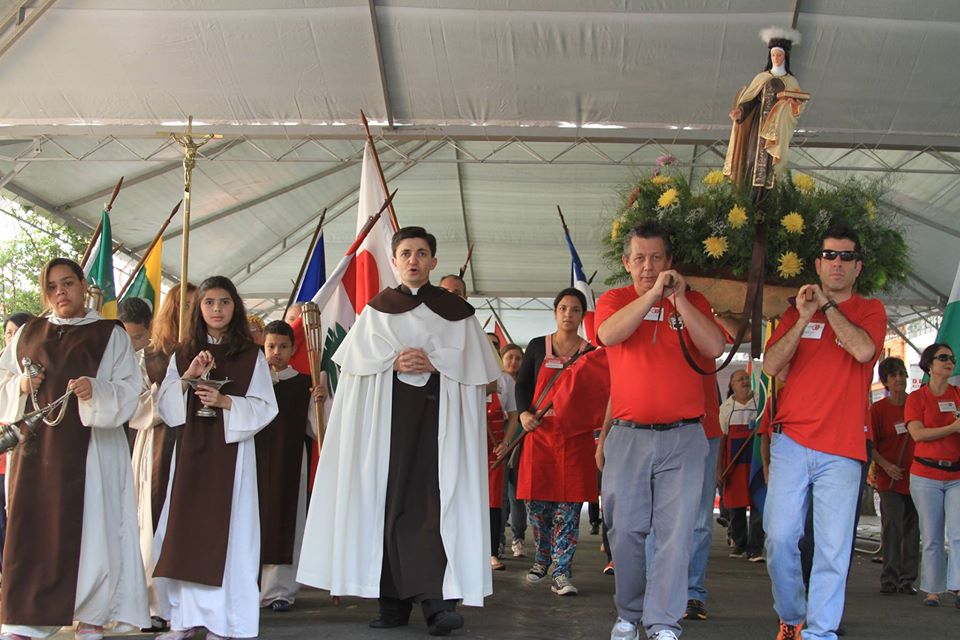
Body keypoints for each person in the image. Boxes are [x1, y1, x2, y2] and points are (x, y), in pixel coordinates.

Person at [297, 226, 500, 637]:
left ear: (433, 261)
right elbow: (354, 368)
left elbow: (482, 373)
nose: (413, 260)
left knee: (433, 509)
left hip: (437, 427)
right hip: (386, 428)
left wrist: (437, 362)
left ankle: (436, 603)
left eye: (422, 253)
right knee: (385, 506)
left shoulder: (456, 313)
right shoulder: (376, 310)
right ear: (393, 261)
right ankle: (391, 601)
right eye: (405, 252)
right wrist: (392, 362)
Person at [0, 257, 149, 640]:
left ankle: (91, 615)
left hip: (92, 453)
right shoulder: (28, 332)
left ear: (84, 285)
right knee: (32, 530)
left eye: (67, 283)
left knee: (93, 529)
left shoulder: (109, 334)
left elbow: (130, 390)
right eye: (52, 287)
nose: (60, 293)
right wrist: (19, 386)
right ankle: (27, 619)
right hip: (36, 452)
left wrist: (95, 390)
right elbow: (3, 377)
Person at [596, 220, 725, 640]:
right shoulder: (614, 299)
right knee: (626, 530)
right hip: (629, 436)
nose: (648, 266)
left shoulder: (695, 301)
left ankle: (664, 621)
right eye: (639, 259)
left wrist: (679, 301)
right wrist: (653, 295)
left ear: (670, 261)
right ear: (626, 263)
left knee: (675, 532)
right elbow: (607, 333)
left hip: (685, 437)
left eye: (656, 258)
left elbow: (715, 347)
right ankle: (629, 614)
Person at [762, 224, 886, 640]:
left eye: (846, 257)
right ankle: (793, 615)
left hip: (843, 449)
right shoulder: (797, 311)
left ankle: (820, 633)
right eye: (830, 256)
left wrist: (828, 308)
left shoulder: (870, 310)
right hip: (792, 441)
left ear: (857, 267)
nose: (837, 263)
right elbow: (771, 365)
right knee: (779, 538)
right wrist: (803, 317)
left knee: (833, 550)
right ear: (817, 263)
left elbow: (865, 350)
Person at [153, 275, 278, 640]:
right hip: (191, 452)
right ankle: (184, 618)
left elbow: (265, 406)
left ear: (234, 307)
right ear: (199, 308)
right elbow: (167, 410)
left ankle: (227, 622)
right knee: (185, 533)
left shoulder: (251, 355)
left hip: (233, 457)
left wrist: (226, 402)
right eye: (209, 303)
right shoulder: (182, 353)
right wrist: (187, 377)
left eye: (224, 302)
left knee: (232, 535)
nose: (217, 309)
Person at [514, 288, 607, 597]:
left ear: (582, 315)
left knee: (567, 511)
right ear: (555, 312)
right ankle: (542, 558)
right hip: (538, 436)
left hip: (574, 440)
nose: (569, 314)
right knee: (537, 508)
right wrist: (525, 414)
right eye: (563, 308)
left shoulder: (591, 353)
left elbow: (597, 397)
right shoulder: (538, 346)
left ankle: (562, 570)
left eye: (575, 309)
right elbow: (523, 384)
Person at [128, 283, 196, 633]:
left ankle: (190, 601)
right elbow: (134, 407)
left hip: (199, 447)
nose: (187, 312)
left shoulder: (209, 353)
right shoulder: (148, 357)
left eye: (194, 306)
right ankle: (156, 603)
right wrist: (172, 389)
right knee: (155, 520)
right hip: (159, 444)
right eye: (181, 305)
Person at [256, 320, 320, 612]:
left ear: (293, 349)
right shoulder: (252, 382)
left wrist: (321, 403)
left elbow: (316, 429)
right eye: (271, 346)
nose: (276, 353)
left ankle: (281, 590)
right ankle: (250, 587)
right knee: (253, 521)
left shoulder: (305, 383)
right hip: (253, 460)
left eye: (283, 346)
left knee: (287, 519)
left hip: (290, 461)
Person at [904, 343, 960, 608]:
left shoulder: (959, 395)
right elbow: (917, 434)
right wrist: (953, 428)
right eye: (943, 358)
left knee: (959, 532)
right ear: (929, 365)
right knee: (932, 534)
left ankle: (958, 586)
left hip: (957, 473)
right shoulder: (916, 398)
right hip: (925, 475)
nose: (950, 362)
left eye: (952, 359)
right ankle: (933, 589)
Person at [723, 27, 808, 191]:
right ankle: (748, 195)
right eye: (774, 55)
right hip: (758, 127)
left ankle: (766, 201)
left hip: (777, 130)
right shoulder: (761, 78)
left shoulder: (791, 82)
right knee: (751, 159)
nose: (776, 58)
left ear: (785, 56)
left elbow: (798, 106)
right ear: (770, 56)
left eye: (779, 55)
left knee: (771, 166)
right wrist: (740, 111)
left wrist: (791, 103)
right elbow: (750, 100)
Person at [870, 356, 919, 596]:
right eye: (893, 375)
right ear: (885, 382)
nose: (899, 378)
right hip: (889, 478)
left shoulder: (917, 404)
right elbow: (869, 444)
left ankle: (907, 579)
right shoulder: (878, 410)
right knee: (893, 526)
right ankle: (889, 578)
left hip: (918, 477)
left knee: (913, 528)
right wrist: (886, 466)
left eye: (901, 374)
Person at [0, 312, 33, 571]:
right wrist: (19, 387)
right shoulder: (5, 372)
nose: (12, 339)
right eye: (9, 333)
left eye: (18, 333)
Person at [719, 369, 764, 562]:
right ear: (732, 385)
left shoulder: (759, 404)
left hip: (754, 459)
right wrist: (719, 468)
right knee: (735, 504)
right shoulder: (726, 408)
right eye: (740, 379)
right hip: (734, 461)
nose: (745, 382)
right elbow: (722, 439)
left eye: (746, 379)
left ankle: (755, 548)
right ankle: (740, 543)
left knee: (757, 502)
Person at [486, 339, 518, 572]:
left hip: (494, 450)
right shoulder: (462, 374)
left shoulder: (505, 381)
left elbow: (514, 416)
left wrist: (506, 443)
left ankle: (491, 552)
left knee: (493, 503)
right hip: (467, 449)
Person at [499, 343, 527, 558]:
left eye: (518, 358)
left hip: (522, 446)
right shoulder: (496, 382)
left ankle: (518, 538)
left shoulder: (527, 384)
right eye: (509, 357)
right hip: (499, 446)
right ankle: (498, 540)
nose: (513, 362)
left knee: (517, 496)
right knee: (499, 498)